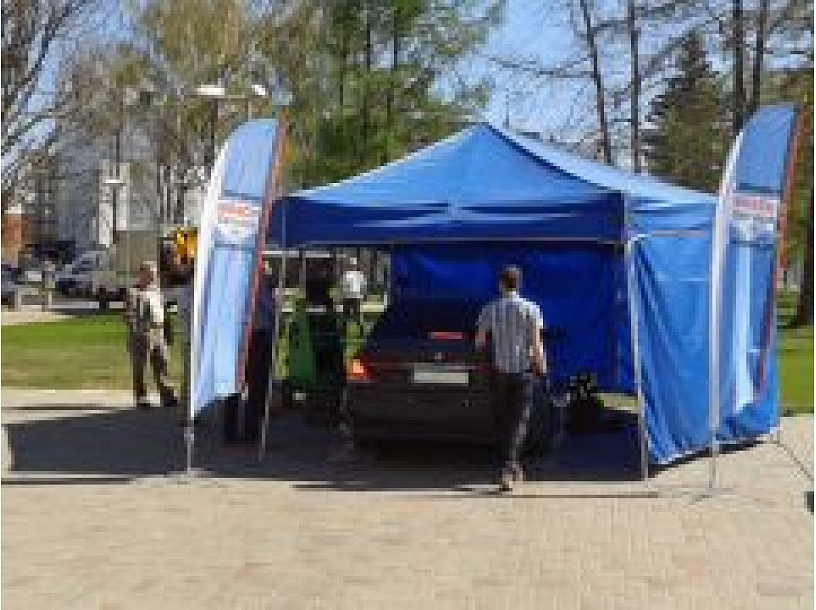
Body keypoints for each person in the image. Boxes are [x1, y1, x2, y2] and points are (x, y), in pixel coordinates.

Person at [475, 265, 547, 492]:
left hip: (500, 372)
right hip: (523, 371)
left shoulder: (489, 309)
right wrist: (542, 367)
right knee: (520, 421)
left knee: (502, 420)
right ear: (519, 284)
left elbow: (479, 342)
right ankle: (510, 467)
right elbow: (536, 343)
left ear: (500, 284)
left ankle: (510, 465)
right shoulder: (532, 309)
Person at [124, 261, 177, 410]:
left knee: (162, 363)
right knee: (140, 368)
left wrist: (168, 332)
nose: (153, 277)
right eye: (150, 274)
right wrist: (137, 331)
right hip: (142, 334)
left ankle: (167, 396)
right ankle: (141, 398)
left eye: (154, 274)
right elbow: (129, 315)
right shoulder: (133, 292)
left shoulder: (157, 291)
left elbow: (164, 312)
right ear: (141, 275)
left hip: (159, 332)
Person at [340, 257, 366, 326]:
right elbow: (343, 286)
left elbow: (363, 286)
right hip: (350, 297)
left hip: (353, 297)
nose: (353, 267)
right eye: (352, 265)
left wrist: (362, 294)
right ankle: (346, 326)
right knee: (350, 313)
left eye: (353, 265)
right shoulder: (348, 275)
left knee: (353, 313)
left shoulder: (358, 275)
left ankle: (359, 325)